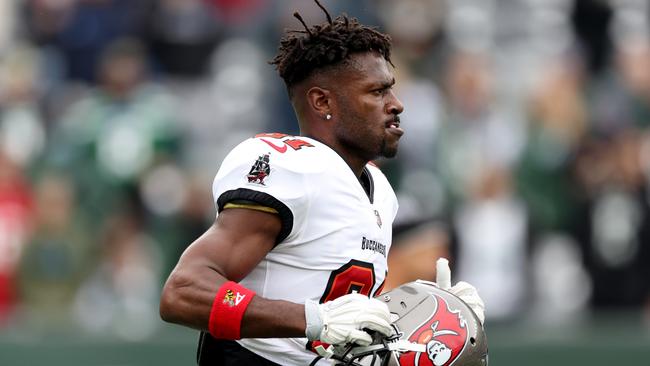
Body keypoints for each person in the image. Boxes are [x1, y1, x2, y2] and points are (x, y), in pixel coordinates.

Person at [160, 1, 484, 365]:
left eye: (391, 90)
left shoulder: (379, 190)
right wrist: (312, 320)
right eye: (377, 92)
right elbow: (184, 291)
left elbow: (343, 313)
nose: (396, 104)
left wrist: (436, 311)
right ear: (322, 101)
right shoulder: (290, 167)